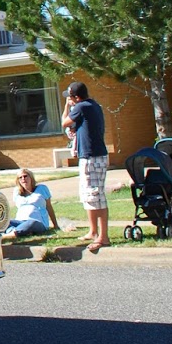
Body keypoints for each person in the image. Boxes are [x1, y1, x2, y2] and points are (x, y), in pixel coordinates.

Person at [62, 80, 109, 250]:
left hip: (93, 157)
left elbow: (64, 122)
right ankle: (93, 231)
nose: (70, 100)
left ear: (75, 97)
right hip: (90, 156)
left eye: (70, 97)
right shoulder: (92, 105)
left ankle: (103, 237)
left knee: (96, 196)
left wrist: (68, 107)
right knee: (88, 195)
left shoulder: (82, 107)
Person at [3, 169, 59, 240]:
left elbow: (49, 207)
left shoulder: (42, 189)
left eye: (25, 176)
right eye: (20, 177)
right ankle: (18, 231)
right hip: (20, 221)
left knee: (32, 222)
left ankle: (9, 235)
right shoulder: (17, 191)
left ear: (31, 178)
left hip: (38, 222)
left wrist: (55, 225)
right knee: (4, 223)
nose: (23, 179)